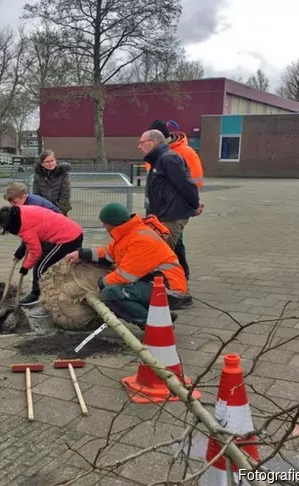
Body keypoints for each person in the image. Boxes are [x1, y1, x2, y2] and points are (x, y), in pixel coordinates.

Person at [65, 202, 187, 329]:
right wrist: (81, 253)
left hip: (169, 290)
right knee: (119, 289)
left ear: (112, 223)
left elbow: (126, 276)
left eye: (105, 222)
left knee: (111, 293)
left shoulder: (140, 240)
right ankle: (161, 315)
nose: (103, 226)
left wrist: (101, 283)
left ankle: (157, 326)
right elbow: (108, 254)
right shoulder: (129, 233)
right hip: (155, 282)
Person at [146, 120, 205, 281]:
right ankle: (178, 274)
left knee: (172, 243)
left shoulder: (178, 154)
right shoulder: (155, 155)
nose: (141, 146)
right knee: (173, 242)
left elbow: (188, 183)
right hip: (160, 208)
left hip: (173, 209)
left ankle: (178, 276)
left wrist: (193, 205)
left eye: (145, 142)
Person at [0, 204, 83, 306]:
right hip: (71, 231)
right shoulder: (21, 212)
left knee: (40, 268)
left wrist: (25, 267)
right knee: (51, 266)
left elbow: (36, 251)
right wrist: (19, 254)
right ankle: (60, 292)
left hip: (67, 238)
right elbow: (29, 239)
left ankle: (38, 296)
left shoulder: (24, 227)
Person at [139, 129, 200, 251]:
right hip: (162, 215)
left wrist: (195, 205)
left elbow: (186, 185)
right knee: (173, 251)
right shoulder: (157, 160)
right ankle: (181, 270)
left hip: (171, 216)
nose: (139, 146)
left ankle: (175, 270)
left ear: (154, 142)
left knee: (160, 253)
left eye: (142, 142)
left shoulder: (169, 159)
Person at [32, 150, 72, 216]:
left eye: (52, 161)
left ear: (55, 160)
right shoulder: (38, 175)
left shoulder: (63, 173)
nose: (50, 163)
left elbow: (66, 193)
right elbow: (36, 193)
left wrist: (60, 210)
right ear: (42, 164)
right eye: (47, 162)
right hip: (44, 209)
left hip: (60, 208)